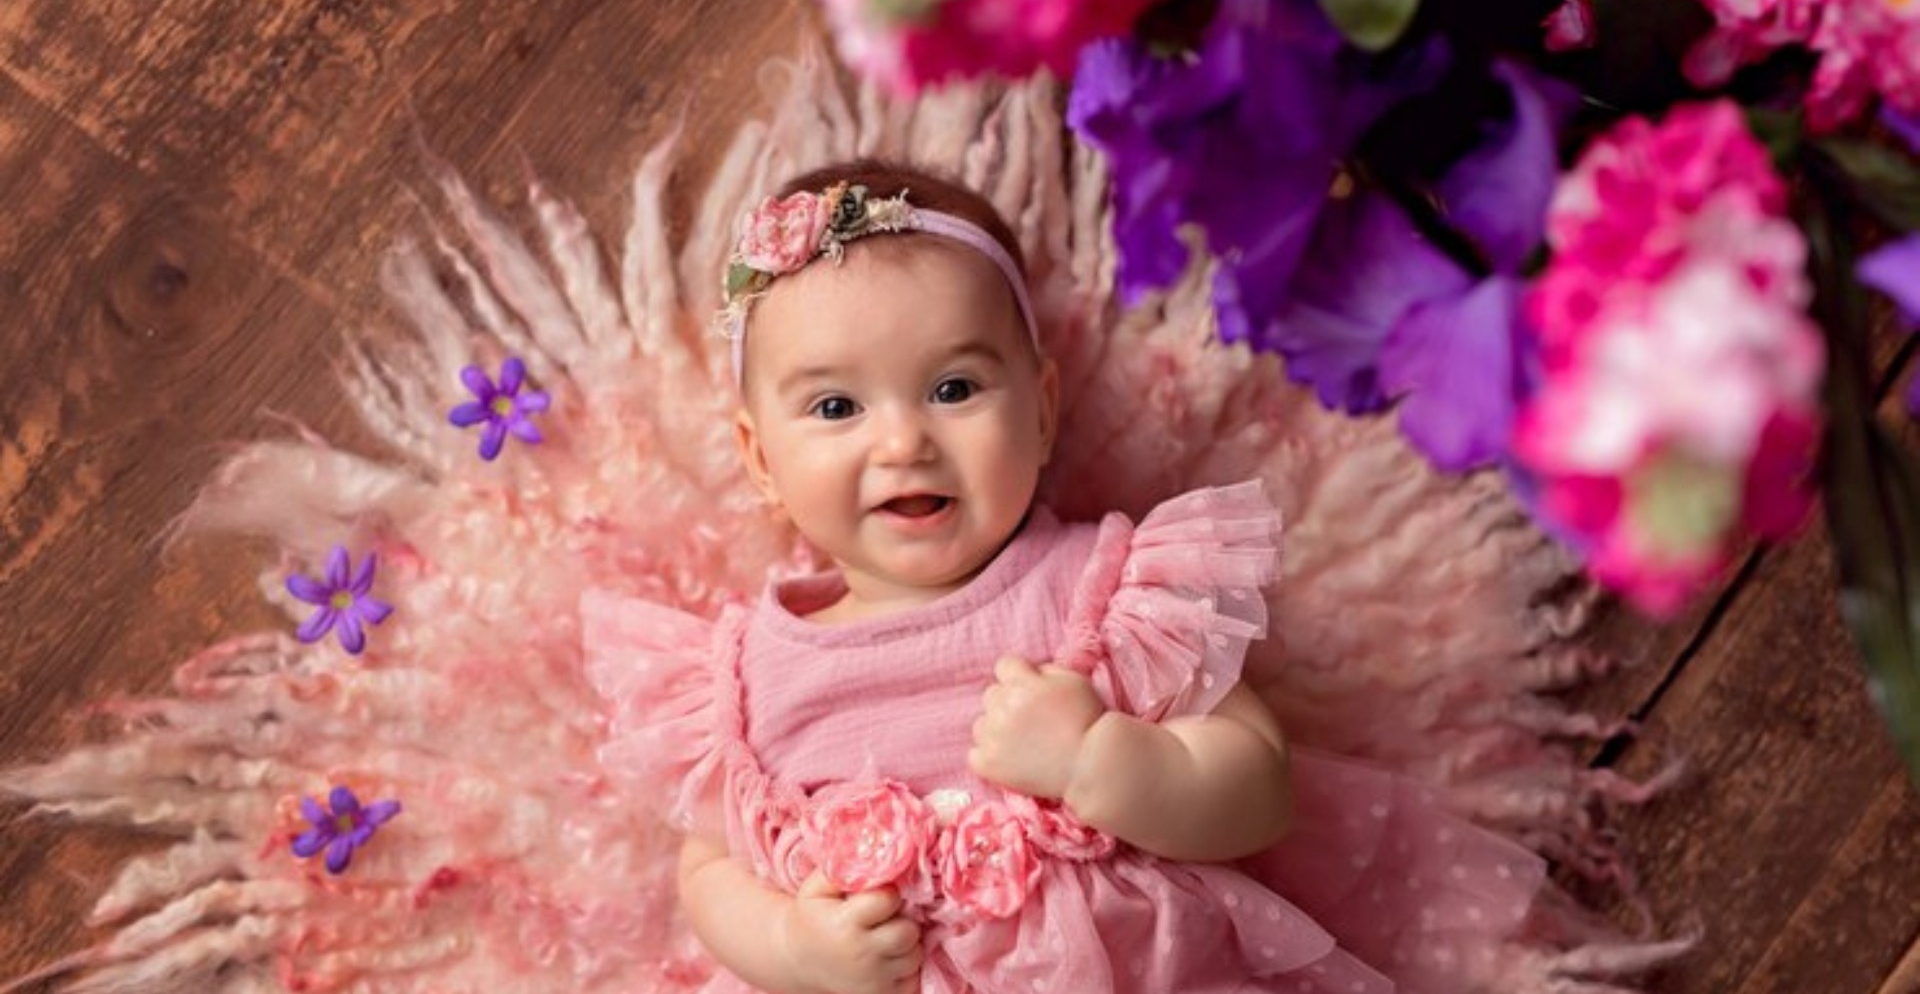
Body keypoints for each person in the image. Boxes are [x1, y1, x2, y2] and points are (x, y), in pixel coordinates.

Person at [581, 160, 1546, 994]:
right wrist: (793, 945)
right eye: (835, 406)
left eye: (954, 389)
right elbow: (708, 870)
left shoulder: (1106, 591)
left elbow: (1259, 786)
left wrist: (1102, 761)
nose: (903, 440)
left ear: (1041, 411)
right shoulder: (746, 675)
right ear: (759, 460)